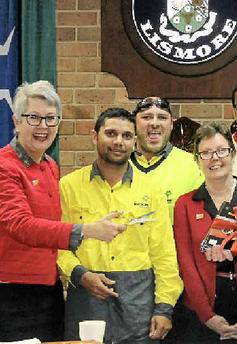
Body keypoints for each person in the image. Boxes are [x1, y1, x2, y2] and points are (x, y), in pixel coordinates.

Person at [0, 81, 125, 341]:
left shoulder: (49, 165)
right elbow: (20, 224)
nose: (43, 126)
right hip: (12, 293)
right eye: (33, 117)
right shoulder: (5, 166)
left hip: (50, 290)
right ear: (16, 120)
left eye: (51, 119)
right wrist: (87, 230)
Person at [57, 108, 183, 343]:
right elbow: (58, 245)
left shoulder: (151, 191)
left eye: (126, 136)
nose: (118, 142)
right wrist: (80, 274)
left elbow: (164, 254)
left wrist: (164, 308)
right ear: (95, 137)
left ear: (135, 142)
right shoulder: (68, 186)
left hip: (138, 303)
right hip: (86, 298)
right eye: (111, 133)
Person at [171, 122, 237, 343]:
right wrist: (207, 316)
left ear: (232, 154)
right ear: (197, 160)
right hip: (201, 312)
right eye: (205, 153)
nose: (215, 158)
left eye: (221, 151)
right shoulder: (185, 204)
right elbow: (186, 263)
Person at [130, 96, 203, 220]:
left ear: (171, 125)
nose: (154, 123)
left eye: (162, 117)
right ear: (134, 124)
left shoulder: (194, 165)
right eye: (146, 117)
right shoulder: (118, 166)